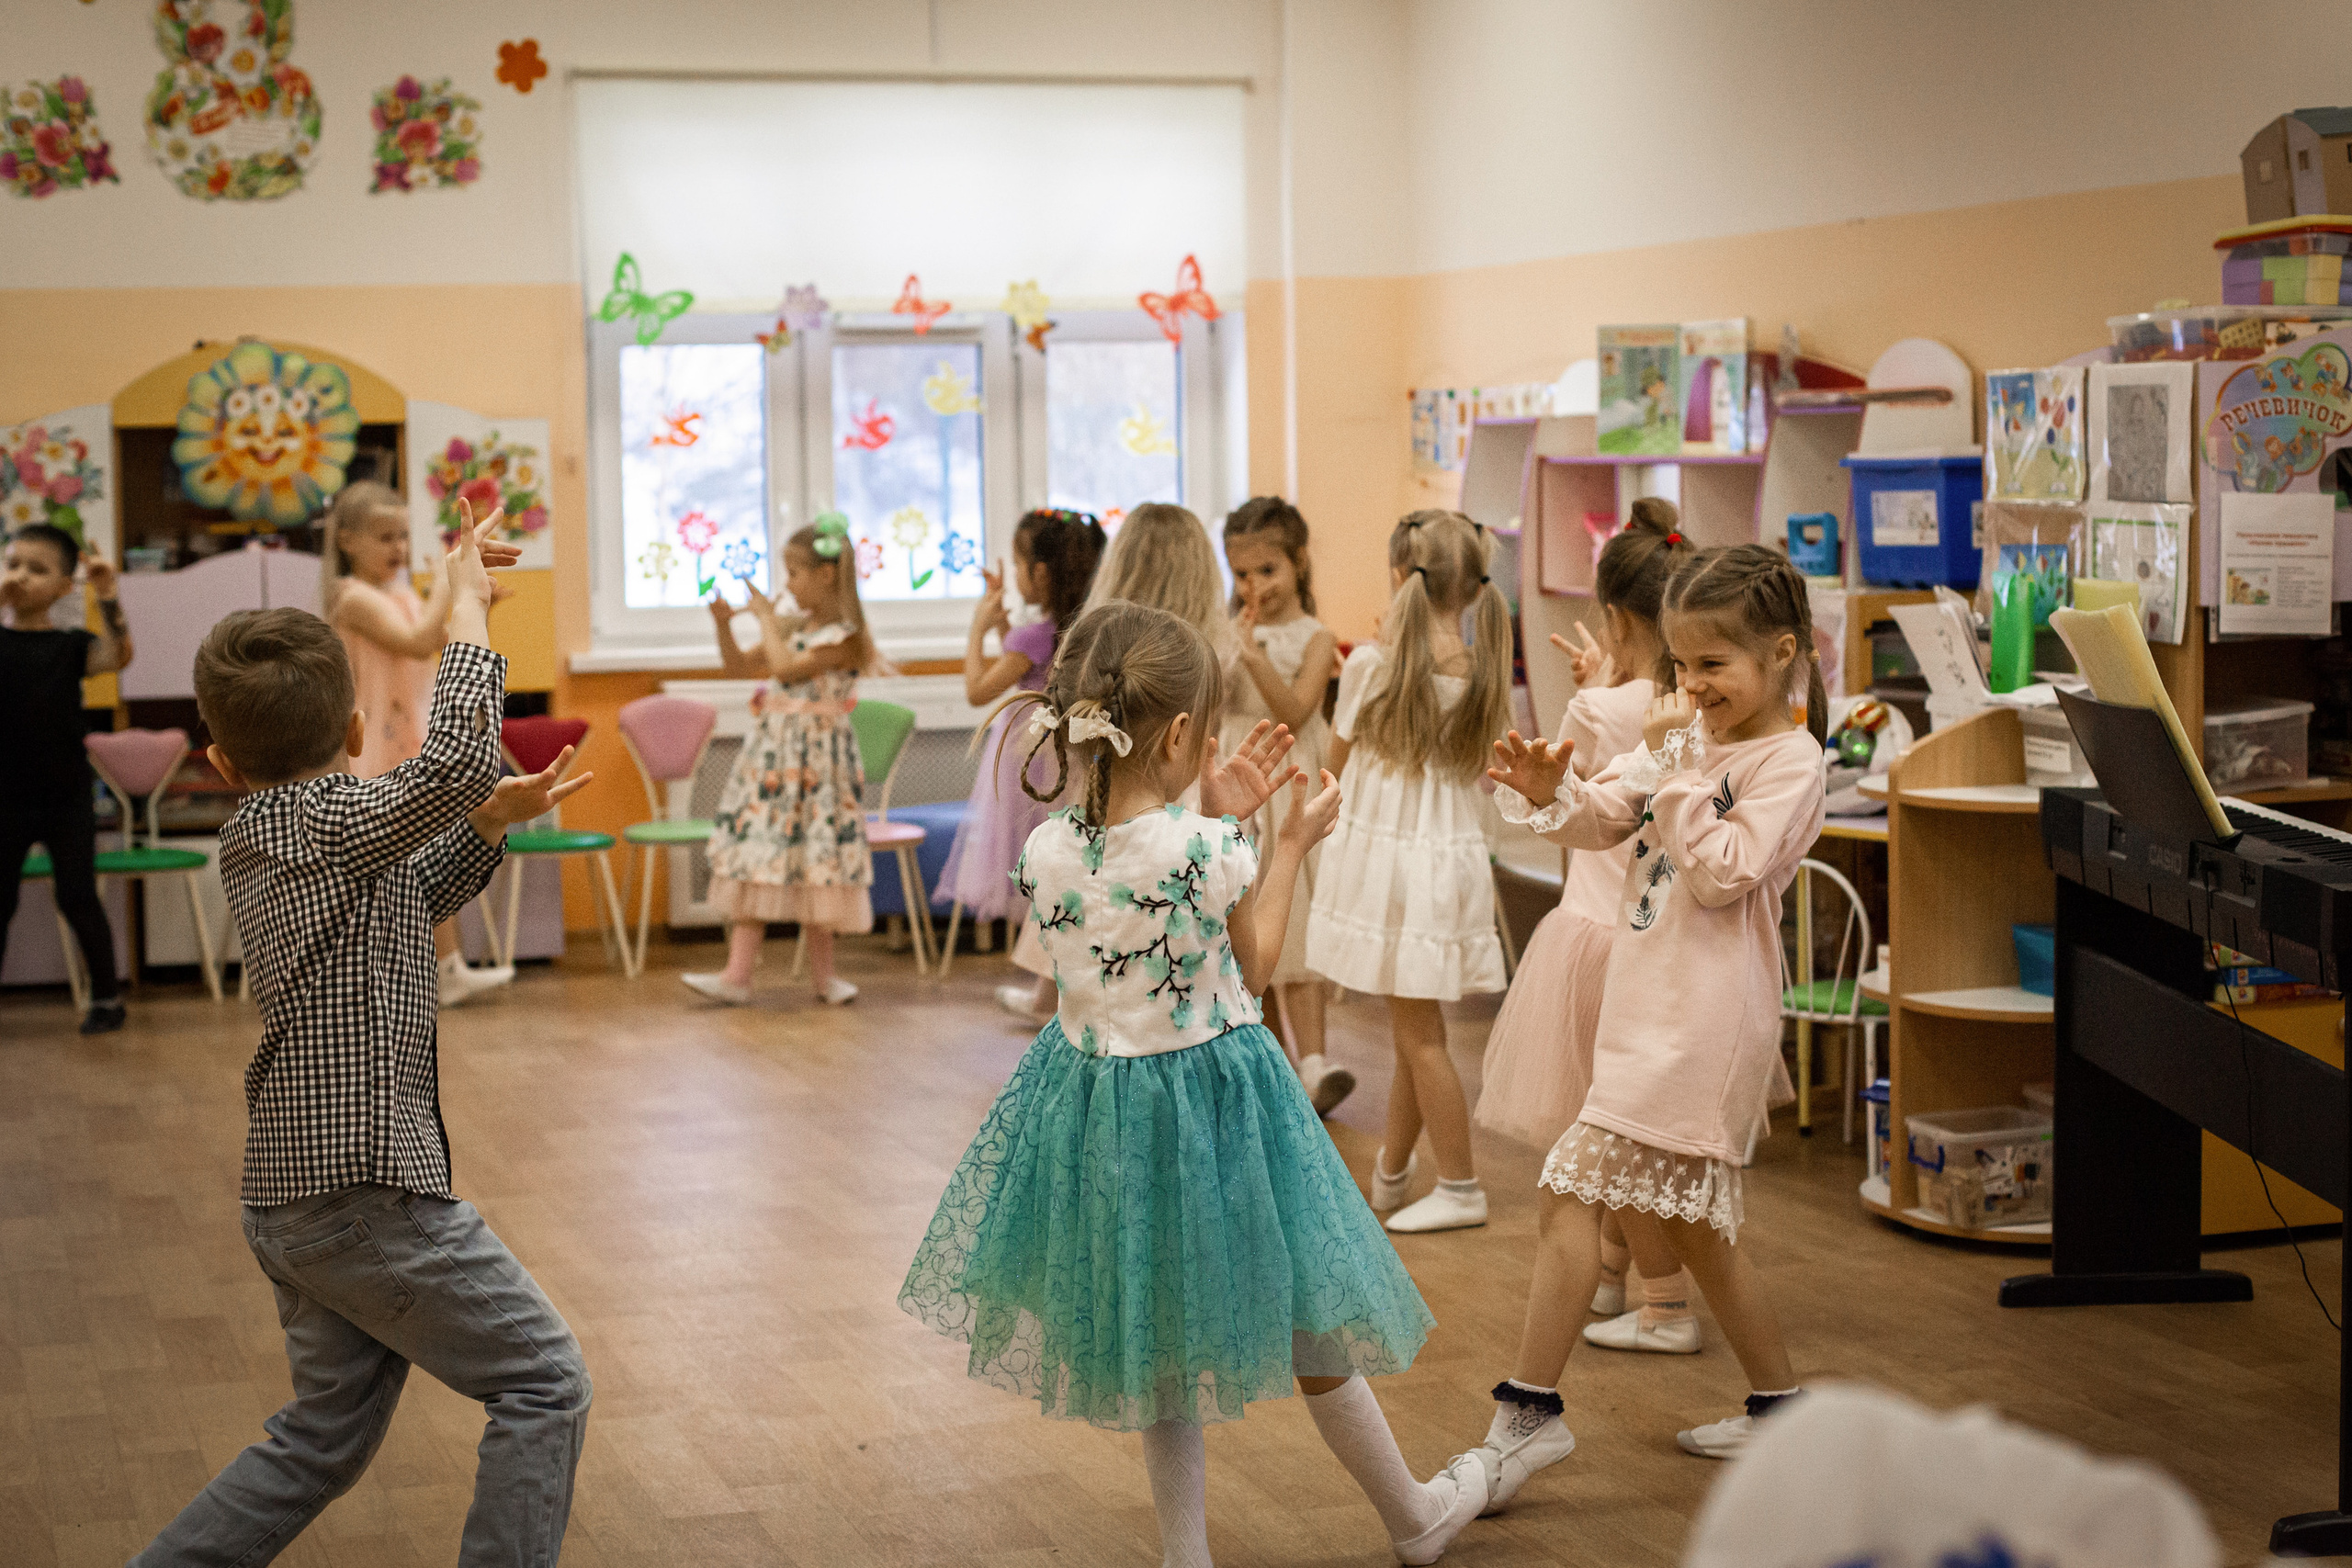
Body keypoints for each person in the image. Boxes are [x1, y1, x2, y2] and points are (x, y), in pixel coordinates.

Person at [900, 602, 1488, 1567]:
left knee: (1157, 1332)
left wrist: (1204, 809)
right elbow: (1252, 970)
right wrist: (1285, 842)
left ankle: (1187, 1554)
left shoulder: (1047, 850)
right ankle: (1412, 1517)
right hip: (1219, 1106)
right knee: (1310, 1315)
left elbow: (1108, 939)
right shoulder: (1210, 848)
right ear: (1182, 735)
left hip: (1099, 1110)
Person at [141, 502, 592, 1566]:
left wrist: (486, 822)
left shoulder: (293, 834)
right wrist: (472, 610)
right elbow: (441, 769)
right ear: (352, 734)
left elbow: (412, 882)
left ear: (218, 757)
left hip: (310, 1200)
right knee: (544, 1382)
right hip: (359, 1200)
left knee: (319, 1441)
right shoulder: (313, 823)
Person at [1462, 543, 1828, 1518]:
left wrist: (1671, 771)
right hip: (1646, 1007)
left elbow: (1719, 871)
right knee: (1697, 1234)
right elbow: (1599, 821)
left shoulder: (1789, 761)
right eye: (1678, 665)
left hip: (1703, 1023)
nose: (1690, 687)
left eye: (1713, 666)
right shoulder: (1681, 743)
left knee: (1568, 1194)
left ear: (1782, 654)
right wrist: (1548, 792)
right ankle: (1781, 1414)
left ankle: (1529, 1412)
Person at [1475, 501, 1704, 1348]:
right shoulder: (1686, 702)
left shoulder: (1607, 711)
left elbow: (1544, 791)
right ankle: (1610, 1282)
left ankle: (1666, 1301)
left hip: (1589, 932)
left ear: (1613, 616)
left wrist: (1589, 696)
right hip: (1648, 930)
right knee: (1618, 1128)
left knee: (1604, 1140)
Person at [1306, 510, 1512, 1235]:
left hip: (1394, 863)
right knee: (1410, 1028)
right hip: (1446, 860)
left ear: (1401, 576)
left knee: (1422, 1037)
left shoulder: (1371, 664)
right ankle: (1391, 1173)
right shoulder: (1482, 667)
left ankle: (1460, 1183)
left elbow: (1332, 769)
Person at [996, 502, 1236, 1021]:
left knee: (1100, 889)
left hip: (1121, 788)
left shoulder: (1100, 642)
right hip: (1193, 789)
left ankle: (1079, 999)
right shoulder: (1211, 648)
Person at [321, 480, 514, 1008]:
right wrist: (453, 583)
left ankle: (447, 969)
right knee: (393, 870)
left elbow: (446, 644)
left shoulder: (401, 594)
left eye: (403, 537)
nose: (399, 549)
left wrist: (478, 604)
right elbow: (416, 640)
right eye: (385, 537)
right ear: (348, 542)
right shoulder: (350, 598)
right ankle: (393, 979)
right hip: (372, 751)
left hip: (409, 740)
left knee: (425, 861)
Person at [687, 513, 878, 1007]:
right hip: (775, 761)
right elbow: (738, 666)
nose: (787, 585)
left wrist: (767, 620)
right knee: (760, 852)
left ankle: (824, 978)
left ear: (826, 575)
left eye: (794, 573)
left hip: (818, 765)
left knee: (817, 861)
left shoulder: (843, 637)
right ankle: (736, 975)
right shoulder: (793, 625)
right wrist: (723, 628)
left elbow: (788, 672)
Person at [1222, 495, 1350, 1114]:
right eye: (1242, 574)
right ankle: (1268, 1060)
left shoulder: (1317, 636)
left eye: (1267, 571)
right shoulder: (1229, 631)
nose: (1254, 586)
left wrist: (1252, 655)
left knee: (1293, 913)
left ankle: (1318, 1062)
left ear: (1298, 563)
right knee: (1245, 911)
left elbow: (1295, 710)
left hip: (1287, 771)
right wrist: (1227, 653)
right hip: (1240, 771)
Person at [937, 507, 1106, 949]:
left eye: (1018, 563)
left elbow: (978, 691)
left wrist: (977, 630)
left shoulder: (1033, 637)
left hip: (1027, 761)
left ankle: (1039, 961)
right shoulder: (1076, 626)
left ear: (1042, 571)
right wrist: (1005, 629)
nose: (1013, 573)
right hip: (1064, 754)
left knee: (1027, 849)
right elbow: (1034, 667)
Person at [0, 523, 130, 1033]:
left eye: (38, 569)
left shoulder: (73, 644)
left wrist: (108, 594)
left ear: (62, 587)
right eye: (13, 565)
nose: (21, 577)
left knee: (77, 894)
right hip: (5, 796)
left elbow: (117, 657)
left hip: (65, 794)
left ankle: (105, 1000)